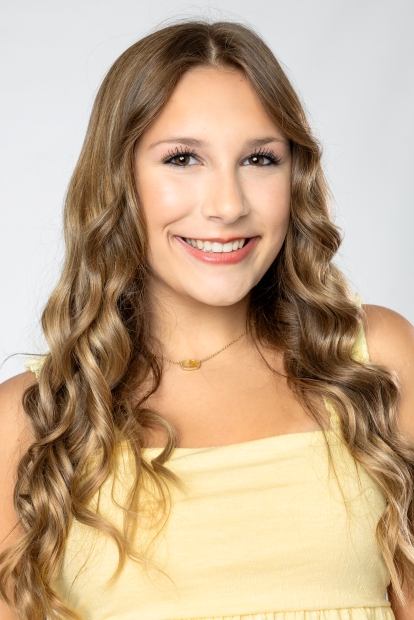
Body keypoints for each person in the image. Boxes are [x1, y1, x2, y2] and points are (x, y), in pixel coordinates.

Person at [0, 18, 413, 620]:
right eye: (183, 158)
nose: (228, 205)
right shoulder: (32, 420)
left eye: (260, 159)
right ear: (119, 180)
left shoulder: (374, 362)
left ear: (294, 177)